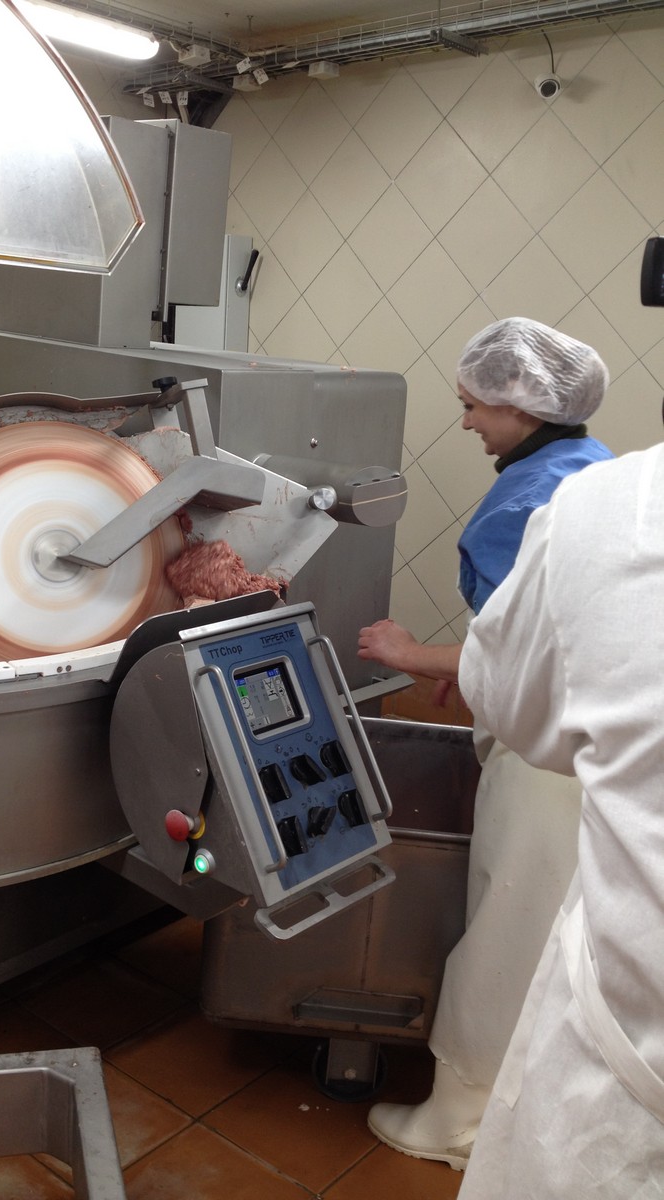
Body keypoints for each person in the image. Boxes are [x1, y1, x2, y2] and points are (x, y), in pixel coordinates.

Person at [358, 317, 613, 1170]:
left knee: (509, 925)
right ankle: (529, 1107)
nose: (465, 421)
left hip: (550, 758)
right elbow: (539, 626)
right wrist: (473, 666)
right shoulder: (591, 467)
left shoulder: (527, 499)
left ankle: (458, 1120)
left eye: (473, 405)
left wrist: (411, 654)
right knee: (557, 929)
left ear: (521, 404)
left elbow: (530, 648)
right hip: (600, 743)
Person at [456, 442, 664, 1197]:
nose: (467, 421)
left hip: (626, 1063)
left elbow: (510, 696)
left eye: (474, 402)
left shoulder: (600, 504)